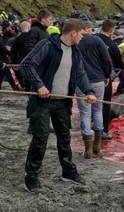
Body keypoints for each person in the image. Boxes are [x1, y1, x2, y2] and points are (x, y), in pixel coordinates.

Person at [20, 19, 97, 193]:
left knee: (64, 136)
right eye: (82, 34)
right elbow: (26, 64)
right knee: (40, 138)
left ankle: (68, 171)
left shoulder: (76, 51)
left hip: (62, 101)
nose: (83, 38)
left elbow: (80, 74)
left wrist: (89, 91)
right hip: (42, 102)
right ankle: (31, 177)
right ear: (74, 33)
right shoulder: (47, 45)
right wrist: (39, 85)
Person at [76, 20, 112, 158]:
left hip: (81, 81)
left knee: (84, 113)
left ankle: (88, 149)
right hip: (98, 80)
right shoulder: (97, 40)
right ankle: (97, 144)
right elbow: (106, 59)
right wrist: (107, 74)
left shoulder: (76, 41)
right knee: (97, 110)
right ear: (88, 28)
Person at [97, 20, 124, 139]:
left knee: (90, 103)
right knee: (106, 103)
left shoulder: (92, 38)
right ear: (112, 30)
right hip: (105, 77)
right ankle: (104, 130)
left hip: (89, 75)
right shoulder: (112, 45)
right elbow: (118, 62)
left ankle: (90, 126)